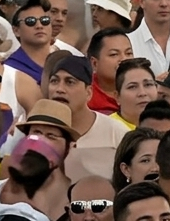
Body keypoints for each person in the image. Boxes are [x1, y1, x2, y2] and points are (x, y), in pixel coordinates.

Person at [46, 54, 128, 183]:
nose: (59, 89)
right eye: (54, 81)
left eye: (70, 82)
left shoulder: (116, 133)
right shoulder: (35, 128)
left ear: (88, 92)